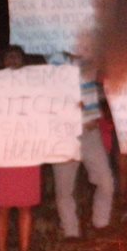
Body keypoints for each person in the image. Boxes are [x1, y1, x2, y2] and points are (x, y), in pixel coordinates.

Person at [50, 56, 116, 240]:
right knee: (64, 189)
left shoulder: (90, 61)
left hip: (90, 133)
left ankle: (100, 223)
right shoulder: (55, 60)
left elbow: (104, 80)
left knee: (106, 181)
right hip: (64, 134)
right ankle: (70, 231)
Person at [0, 46, 40, 251]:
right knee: (2, 207)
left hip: (26, 152)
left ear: (23, 62)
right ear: (3, 62)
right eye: (8, 57)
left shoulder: (33, 88)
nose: (12, 60)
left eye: (16, 57)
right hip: (3, 153)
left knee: (25, 206)